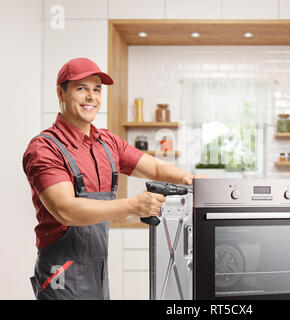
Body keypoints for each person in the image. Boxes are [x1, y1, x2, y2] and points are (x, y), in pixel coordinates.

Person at [22, 57, 201, 300]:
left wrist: (191, 180)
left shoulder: (107, 142)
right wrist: (133, 205)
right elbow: (66, 210)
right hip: (60, 273)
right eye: (81, 88)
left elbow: (155, 168)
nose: (91, 97)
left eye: (97, 89)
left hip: (98, 270)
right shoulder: (44, 148)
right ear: (60, 93)